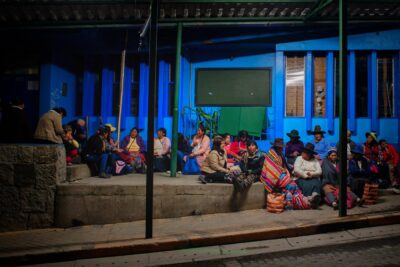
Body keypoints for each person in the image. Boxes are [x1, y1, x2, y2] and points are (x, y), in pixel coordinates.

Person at [260, 138, 317, 209]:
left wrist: (288, 171)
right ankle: (304, 202)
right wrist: (286, 175)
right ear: (276, 147)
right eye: (280, 148)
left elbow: (283, 166)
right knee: (292, 185)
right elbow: (274, 170)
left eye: (281, 148)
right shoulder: (272, 154)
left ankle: (302, 200)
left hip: (280, 175)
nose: (281, 149)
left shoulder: (279, 154)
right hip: (272, 177)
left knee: (293, 185)